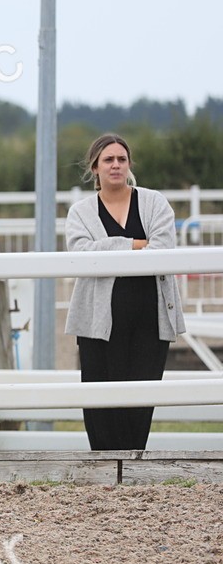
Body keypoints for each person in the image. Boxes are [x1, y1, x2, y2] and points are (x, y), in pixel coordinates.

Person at [64, 133, 185, 450]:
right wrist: (133, 244)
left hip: (150, 320)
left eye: (121, 159)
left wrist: (110, 250)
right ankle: (104, 473)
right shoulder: (81, 212)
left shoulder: (154, 202)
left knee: (141, 400)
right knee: (100, 398)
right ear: (95, 167)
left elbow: (163, 248)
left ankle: (132, 470)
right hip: (97, 324)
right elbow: (81, 252)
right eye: (108, 159)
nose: (115, 165)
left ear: (129, 164)